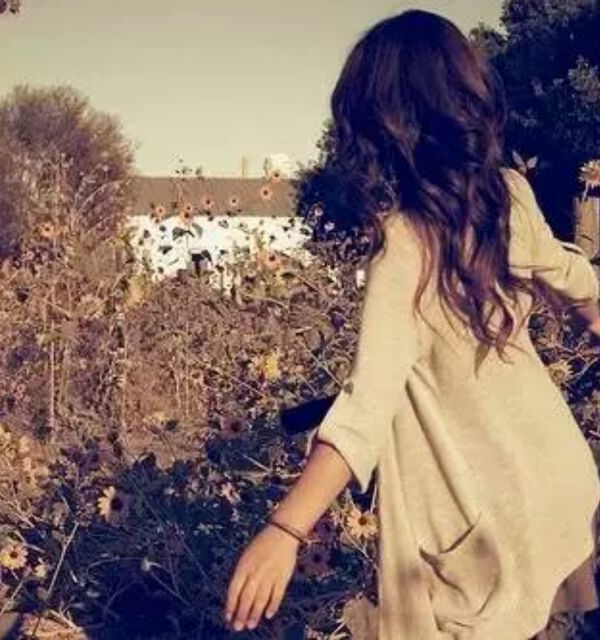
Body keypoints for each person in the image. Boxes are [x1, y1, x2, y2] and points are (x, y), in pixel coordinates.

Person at [223, 9, 600, 639]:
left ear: (380, 125)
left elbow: (365, 410)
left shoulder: (404, 243)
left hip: (485, 525)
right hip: (557, 483)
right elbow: (580, 287)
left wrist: (284, 530)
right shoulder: (507, 194)